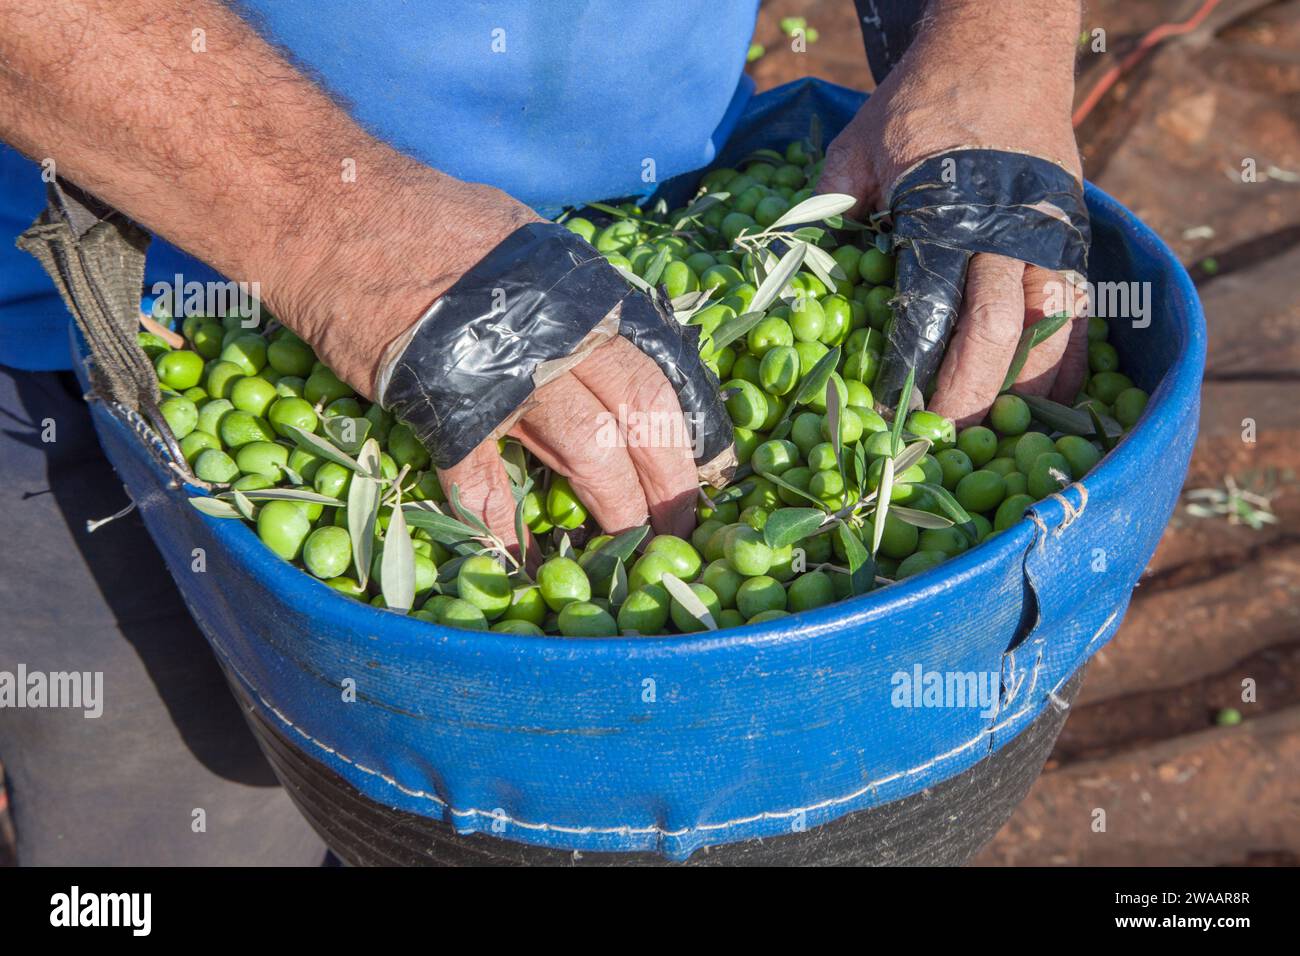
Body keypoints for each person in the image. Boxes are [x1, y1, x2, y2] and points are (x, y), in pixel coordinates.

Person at [0, 0, 1086, 864]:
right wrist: (325, 227)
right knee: (160, 827)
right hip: (122, 311)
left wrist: (996, 37)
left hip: (668, 200)